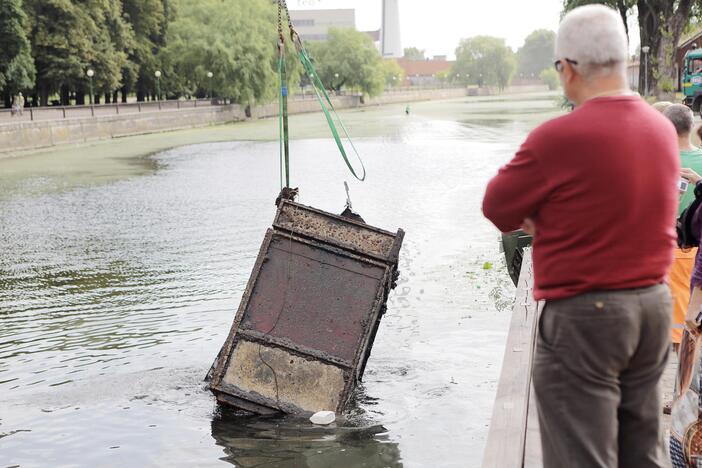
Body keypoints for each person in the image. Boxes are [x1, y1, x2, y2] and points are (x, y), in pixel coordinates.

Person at [482, 5, 679, 467]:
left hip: (586, 317)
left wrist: (544, 220)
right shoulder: (661, 130)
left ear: (567, 69)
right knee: (642, 454)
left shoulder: (557, 138)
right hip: (652, 308)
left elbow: (497, 206)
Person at [662, 104, 702, 352]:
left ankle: (683, 382)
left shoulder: (660, 160)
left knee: (680, 329)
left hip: (673, 250)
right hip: (697, 253)